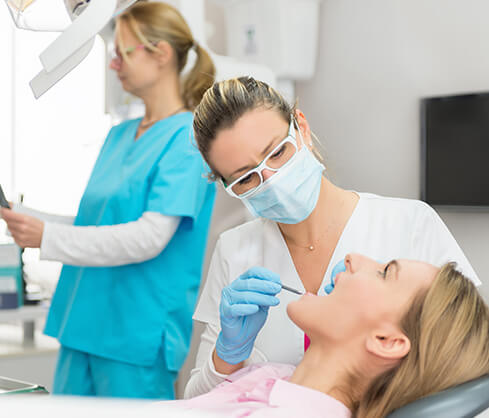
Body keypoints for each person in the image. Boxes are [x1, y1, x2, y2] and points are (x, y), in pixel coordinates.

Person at [184, 76, 482, 398]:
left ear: (302, 128)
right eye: (246, 179)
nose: (271, 181)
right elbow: (197, 400)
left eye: (278, 152)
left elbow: (469, 362)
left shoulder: (411, 223)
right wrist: (228, 355)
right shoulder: (234, 250)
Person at [1, 2, 215, 399]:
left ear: (161, 54)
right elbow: (94, 224)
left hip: (135, 335)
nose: (113, 64)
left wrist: (47, 237)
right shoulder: (121, 134)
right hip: (82, 324)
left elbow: (148, 237)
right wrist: (26, 218)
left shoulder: (188, 140)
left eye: (122, 52)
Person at [168, 255, 489, 417]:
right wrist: (229, 353)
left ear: (386, 341)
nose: (352, 257)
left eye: (384, 273)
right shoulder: (275, 377)